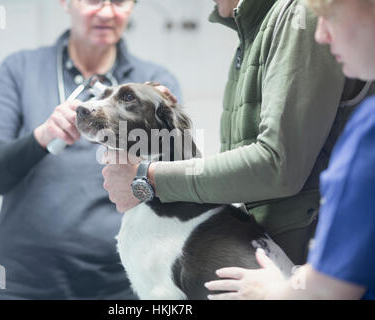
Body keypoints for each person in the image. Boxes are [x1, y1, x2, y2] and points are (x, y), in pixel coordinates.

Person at [102, 0, 374, 267]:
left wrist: (148, 178)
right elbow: (253, 179)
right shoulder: (253, 35)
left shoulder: (296, 17)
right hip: (276, 269)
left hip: (320, 273)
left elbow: (277, 167)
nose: (323, 33)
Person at [0, 0, 181, 299]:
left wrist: (141, 164)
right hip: (23, 284)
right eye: (94, 0)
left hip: (122, 286)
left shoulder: (153, 87)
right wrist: (41, 137)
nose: (107, 13)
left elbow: (177, 185)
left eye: (119, 2)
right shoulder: (20, 70)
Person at [204, 0, 375, 300]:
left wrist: (276, 290)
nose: (320, 34)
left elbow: (329, 288)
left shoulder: (368, 133)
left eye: (329, 15)